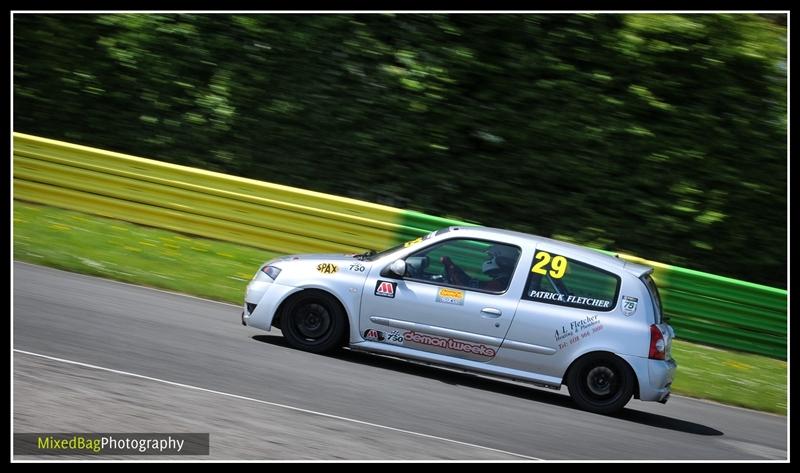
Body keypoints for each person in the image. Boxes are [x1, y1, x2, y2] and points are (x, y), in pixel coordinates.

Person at [440, 244, 518, 291]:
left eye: (491, 257)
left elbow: (466, 288)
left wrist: (451, 268)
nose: (488, 259)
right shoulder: (503, 281)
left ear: (502, 261)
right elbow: (476, 284)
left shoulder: (499, 284)